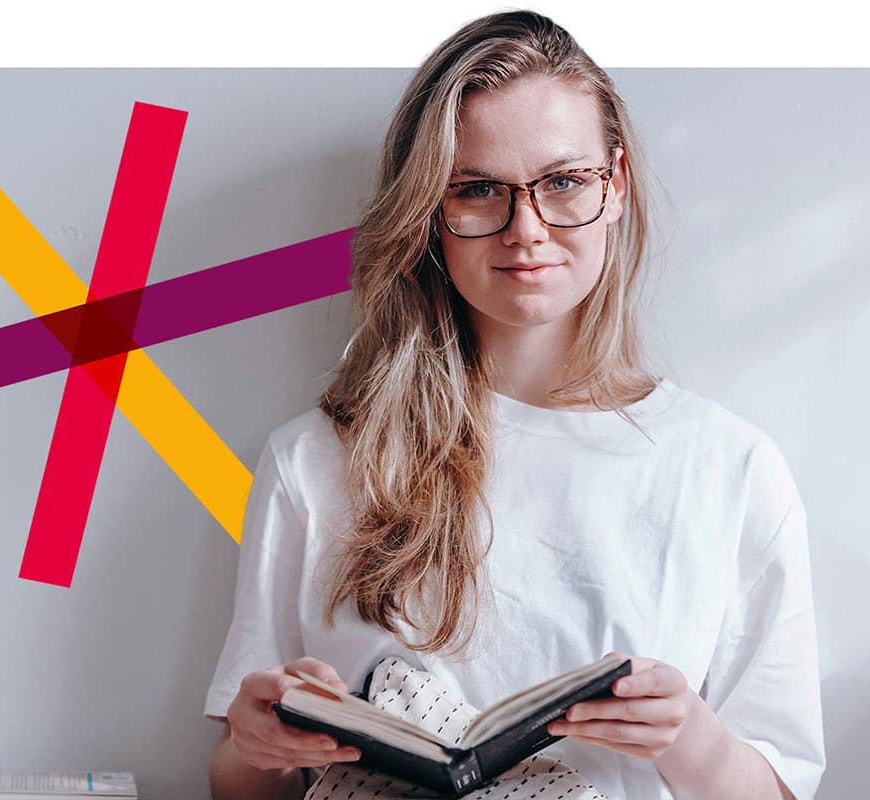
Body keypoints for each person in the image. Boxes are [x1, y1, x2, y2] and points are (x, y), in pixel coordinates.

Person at [204, 10, 825, 800]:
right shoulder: (316, 458)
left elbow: (782, 787)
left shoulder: (731, 469)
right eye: (478, 190)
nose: (525, 230)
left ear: (617, 184)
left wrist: (689, 738)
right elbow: (240, 786)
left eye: (564, 181)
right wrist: (256, 748)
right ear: (431, 212)